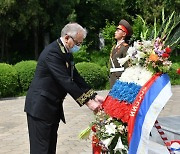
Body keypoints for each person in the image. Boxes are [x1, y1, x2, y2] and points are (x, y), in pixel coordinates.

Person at [24, 23, 104, 154]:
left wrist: (93, 95)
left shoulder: (65, 52)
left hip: (51, 108)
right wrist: (88, 103)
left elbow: (76, 77)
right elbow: (65, 81)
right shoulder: (52, 53)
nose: (79, 47)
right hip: (40, 108)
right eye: (78, 43)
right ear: (67, 38)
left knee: (50, 149)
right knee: (41, 150)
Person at [109, 19, 133, 88]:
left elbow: (127, 65)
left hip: (120, 79)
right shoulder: (114, 47)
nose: (115, 32)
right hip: (113, 78)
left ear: (124, 34)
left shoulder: (125, 47)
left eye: (118, 30)